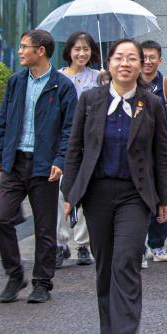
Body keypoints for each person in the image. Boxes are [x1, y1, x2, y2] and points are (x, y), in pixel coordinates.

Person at [62, 38, 167, 334]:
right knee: (105, 262)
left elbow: (161, 154)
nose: (125, 64)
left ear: (141, 65)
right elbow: (74, 149)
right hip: (97, 193)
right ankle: (108, 329)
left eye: (132, 58)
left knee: (126, 259)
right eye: (119, 58)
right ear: (109, 63)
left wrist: (164, 198)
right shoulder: (90, 100)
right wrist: (70, 194)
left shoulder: (151, 103)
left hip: (134, 195)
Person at [0, 29, 77, 305]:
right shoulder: (15, 82)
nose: (20, 51)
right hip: (15, 162)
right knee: (1, 219)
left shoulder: (62, 86)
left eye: (24, 47)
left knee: (44, 228)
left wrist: (60, 160)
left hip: (44, 165)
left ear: (40, 51)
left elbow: (70, 129)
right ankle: (15, 275)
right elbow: (3, 120)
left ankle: (42, 282)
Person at [57, 31, 101, 268]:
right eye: (77, 49)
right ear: (69, 51)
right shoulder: (57, 77)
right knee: (59, 194)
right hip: (63, 144)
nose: (82, 53)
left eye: (86, 49)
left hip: (90, 143)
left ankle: (83, 244)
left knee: (87, 192)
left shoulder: (98, 77)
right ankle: (60, 243)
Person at [138, 40, 167, 267]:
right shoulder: (130, 85)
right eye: (143, 57)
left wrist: (157, 144)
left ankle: (157, 243)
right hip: (137, 156)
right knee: (138, 200)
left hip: (164, 155)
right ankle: (138, 246)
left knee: (163, 197)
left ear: (160, 60)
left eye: (152, 57)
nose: (147, 61)